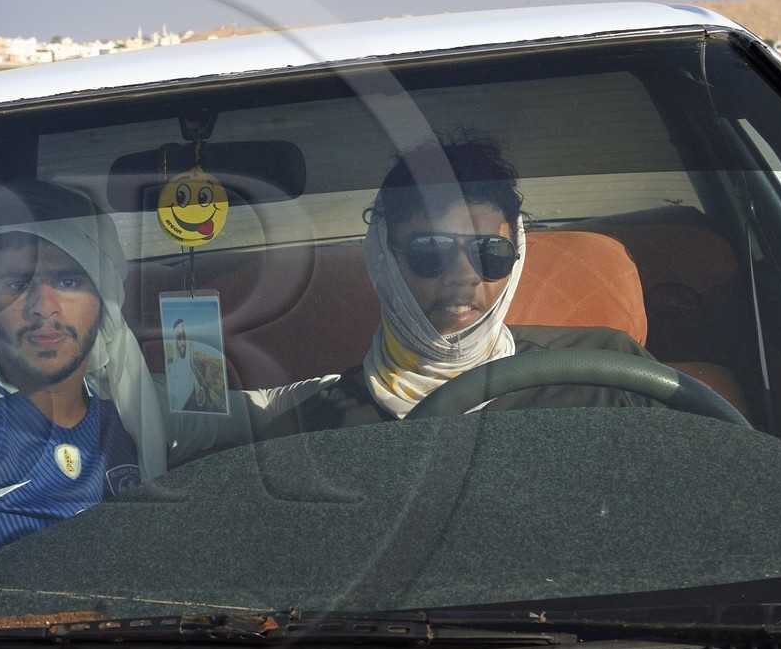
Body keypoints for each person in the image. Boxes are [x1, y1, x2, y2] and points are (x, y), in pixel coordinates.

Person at [0, 180, 329, 579]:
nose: (43, 307)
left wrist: (382, 382)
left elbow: (267, 405)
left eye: (69, 280)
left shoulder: (137, 407)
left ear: (105, 297)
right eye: (18, 282)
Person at [265, 136, 659, 433]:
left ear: (517, 253)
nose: (464, 274)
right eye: (431, 250)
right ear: (385, 259)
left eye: (491, 252)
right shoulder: (325, 426)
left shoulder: (609, 371)